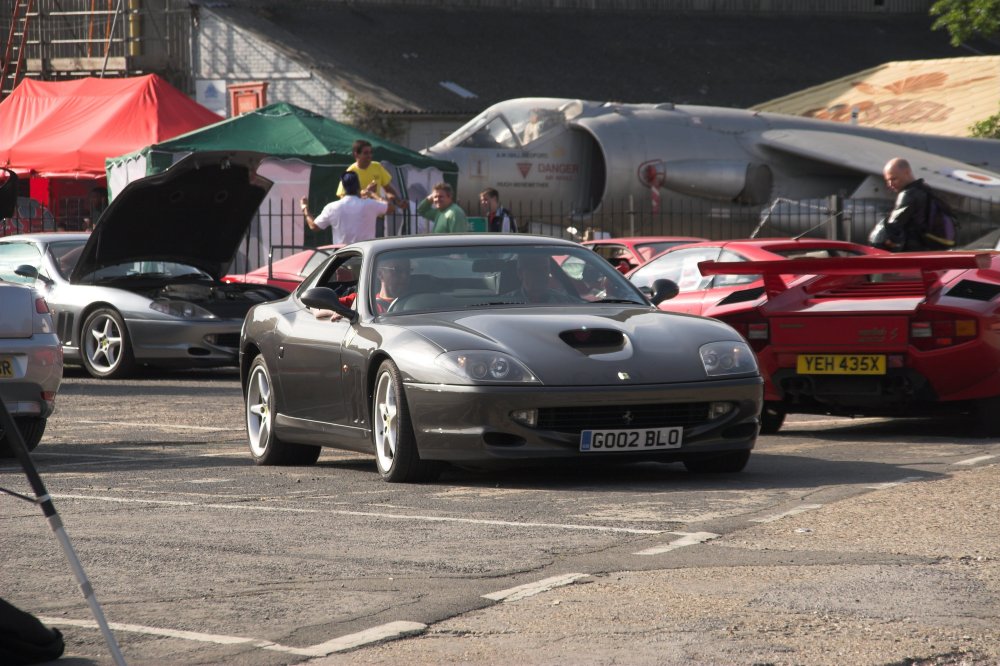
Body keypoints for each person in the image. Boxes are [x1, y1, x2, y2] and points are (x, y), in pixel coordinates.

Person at [300, 172, 393, 244]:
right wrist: (372, 194)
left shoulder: (332, 207)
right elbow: (391, 208)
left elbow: (314, 226)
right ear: (358, 186)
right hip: (366, 254)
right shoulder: (369, 204)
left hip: (343, 256)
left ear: (343, 187)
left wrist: (305, 208)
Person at [314, 257, 411, 320]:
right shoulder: (360, 300)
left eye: (408, 271)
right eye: (397, 270)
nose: (404, 276)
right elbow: (316, 307)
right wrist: (338, 311)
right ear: (380, 274)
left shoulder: (423, 301)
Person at [878, 157, 935, 252]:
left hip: (913, 251)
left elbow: (894, 225)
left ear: (907, 172)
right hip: (929, 248)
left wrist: (885, 241)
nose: (890, 184)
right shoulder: (925, 189)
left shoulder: (908, 195)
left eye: (894, 179)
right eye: (888, 180)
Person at [337, 139, 405, 206]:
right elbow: (343, 199)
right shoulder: (350, 173)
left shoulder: (377, 166)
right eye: (366, 153)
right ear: (356, 155)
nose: (369, 156)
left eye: (370, 152)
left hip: (377, 214)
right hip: (359, 215)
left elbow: (388, 189)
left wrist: (398, 201)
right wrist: (366, 192)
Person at [505, 252, 577, 303]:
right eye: (535, 270)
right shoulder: (506, 303)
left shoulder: (565, 302)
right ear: (520, 273)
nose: (542, 275)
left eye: (545, 269)